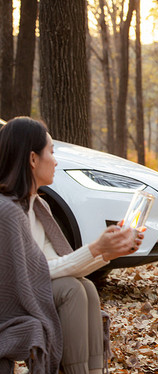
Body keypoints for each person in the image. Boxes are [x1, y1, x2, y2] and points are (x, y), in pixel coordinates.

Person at [0, 117, 144, 374]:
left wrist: (108, 251)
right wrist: (98, 249)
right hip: (10, 303)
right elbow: (33, 276)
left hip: (32, 289)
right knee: (71, 290)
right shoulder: (7, 211)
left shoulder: (38, 207)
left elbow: (52, 266)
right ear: (33, 159)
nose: (56, 161)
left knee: (85, 287)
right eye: (51, 152)